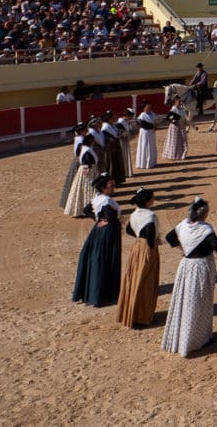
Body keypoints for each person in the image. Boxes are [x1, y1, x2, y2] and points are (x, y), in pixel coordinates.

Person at [162, 197, 217, 357]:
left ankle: (182, 338)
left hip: (186, 265)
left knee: (184, 300)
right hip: (201, 267)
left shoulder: (182, 224)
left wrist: (183, 249)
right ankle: (198, 339)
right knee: (200, 301)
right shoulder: (205, 228)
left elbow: (169, 238)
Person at [72, 173, 123, 307]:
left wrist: (98, 219)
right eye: (111, 185)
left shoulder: (98, 198)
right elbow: (111, 218)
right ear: (103, 187)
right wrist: (106, 220)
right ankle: (105, 293)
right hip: (108, 234)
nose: (114, 187)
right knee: (106, 261)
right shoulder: (106, 201)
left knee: (98, 260)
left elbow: (86, 210)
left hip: (99, 232)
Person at [117, 187, 160, 328]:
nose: (154, 199)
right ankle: (143, 316)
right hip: (147, 248)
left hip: (137, 247)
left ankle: (131, 313)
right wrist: (153, 244)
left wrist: (138, 236)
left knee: (134, 278)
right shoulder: (151, 216)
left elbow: (129, 229)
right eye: (152, 198)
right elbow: (150, 235)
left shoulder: (134, 214)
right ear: (148, 201)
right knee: (146, 281)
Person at [60, 124, 97, 215]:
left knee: (77, 185)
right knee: (81, 186)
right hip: (81, 164)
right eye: (85, 131)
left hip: (81, 163)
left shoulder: (81, 140)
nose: (86, 132)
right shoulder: (81, 141)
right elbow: (81, 154)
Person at [135, 103, 158, 170]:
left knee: (151, 147)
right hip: (145, 132)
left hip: (152, 132)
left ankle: (151, 162)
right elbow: (143, 125)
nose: (149, 108)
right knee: (144, 146)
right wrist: (152, 126)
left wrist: (155, 126)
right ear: (144, 108)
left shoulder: (152, 114)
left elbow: (156, 121)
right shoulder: (142, 115)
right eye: (147, 107)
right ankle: (143, 163)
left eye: (149, 106)